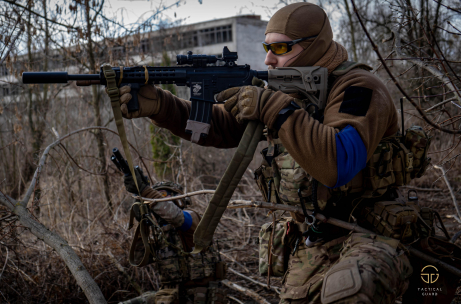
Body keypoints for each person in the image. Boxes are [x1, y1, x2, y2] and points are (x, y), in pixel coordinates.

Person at [117, 3, 437, 303]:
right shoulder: (285, 89)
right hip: (315, 238)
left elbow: (338, 164)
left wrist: (275, 109)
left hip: (374, 235)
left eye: (281, 48)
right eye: (267, 48)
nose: (269, 59)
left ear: (314, 46)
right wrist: (161, 106)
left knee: (350, 289)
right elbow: (223, 126)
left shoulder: (359, 87)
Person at [120, 168, 228, 304]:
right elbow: (139, 259)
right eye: (156, 197)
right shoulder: (160, 232)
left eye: (164, 196)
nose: (159, 203)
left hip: (201, 296)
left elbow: (175, 216)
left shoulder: (192, 219)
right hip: (171, 296)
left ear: (179, 200)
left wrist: (144, 190)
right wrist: (143, 223)